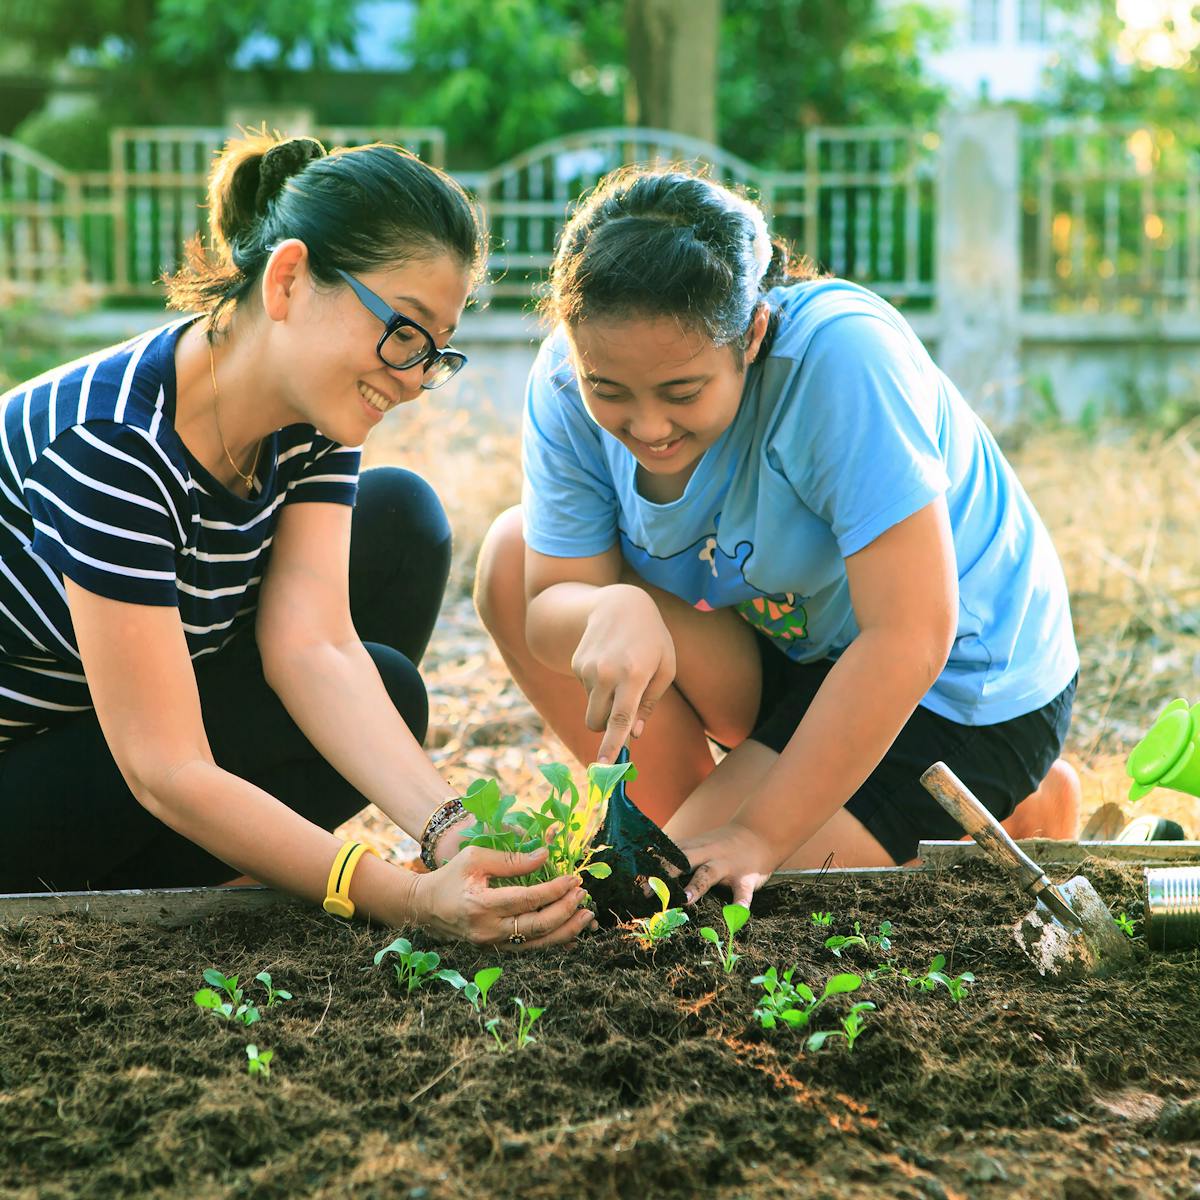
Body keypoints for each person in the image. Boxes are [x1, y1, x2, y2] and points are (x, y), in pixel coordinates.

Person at [0, 131, 594, 952]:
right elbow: (163, 768)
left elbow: (312, 646)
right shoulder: (114, 445)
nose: (417, 378)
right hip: (25, 782)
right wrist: (403, 898)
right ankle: (156, 888)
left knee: (400, 530)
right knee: (390, 688)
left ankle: (241, 865)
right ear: (287, 279)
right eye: (405, 331)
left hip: (130, 727)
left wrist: (449, 829)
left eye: (437, 352)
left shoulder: (313, 416)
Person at [475, 166, 1082, 911]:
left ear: (753, 333)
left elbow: (912, 634)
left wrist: (758, 835)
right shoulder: (567, 384)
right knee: (511, 556)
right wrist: (606, 611)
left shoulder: (842, 360)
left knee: (714, 893)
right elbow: (542, 605)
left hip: (957, 682)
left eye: (682, 391)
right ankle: (696, 818)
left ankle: (1016, 806)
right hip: (799, 651)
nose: (649, 426)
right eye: (611, 391)